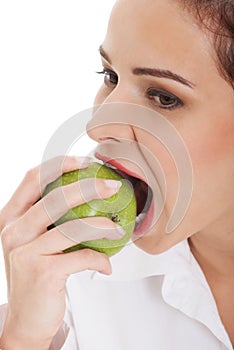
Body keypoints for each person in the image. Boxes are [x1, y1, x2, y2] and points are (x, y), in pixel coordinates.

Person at [0, 0, 233, 349]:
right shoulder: (72, 284)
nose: (97, 126)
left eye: (164, 97)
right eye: (110, 76)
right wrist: (24, 336)